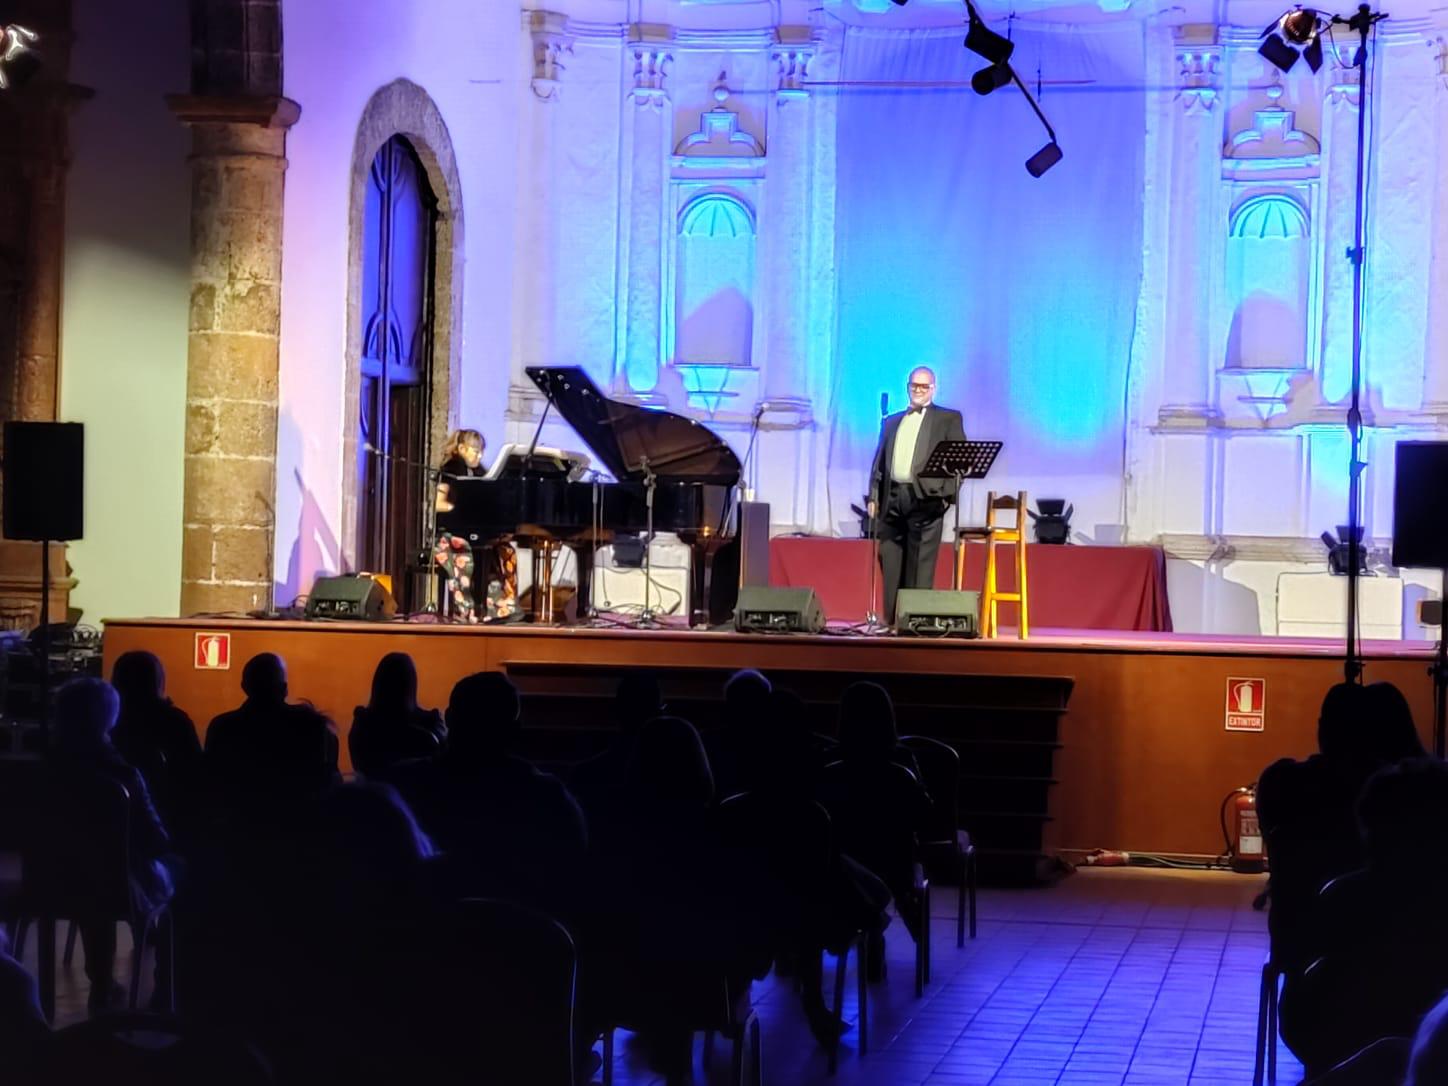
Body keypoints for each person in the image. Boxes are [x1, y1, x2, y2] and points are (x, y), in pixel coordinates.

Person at [48, 677, 178, 1014]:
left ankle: (102, 980)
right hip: (116, 888)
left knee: (91, 877)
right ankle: (167, 987)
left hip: (48, 881)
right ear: (111, 718)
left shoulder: (40, 771)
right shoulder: (123, 775)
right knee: (180, 873)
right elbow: (155, 841)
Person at [866, 367, 967, 624]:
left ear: (933, 388)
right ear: (907, 387)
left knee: (920, 561)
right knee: (890, 559)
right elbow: (879, 462)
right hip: (893, 496)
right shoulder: (891, 422)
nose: (918, 390)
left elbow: (961, 463)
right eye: (914, 386)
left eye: (924, 386)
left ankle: (916, 621)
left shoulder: (948, 419)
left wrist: (946, 497)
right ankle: (891, 621)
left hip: (926, 498)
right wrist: (873, 497)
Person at [204, 652, 340, 814]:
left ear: (244, 686)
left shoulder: (222, 728)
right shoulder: (313, 727)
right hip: (299, 828)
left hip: (240, 827)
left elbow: (210, 784)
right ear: (284, 689)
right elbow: (330, 783)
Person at [109, 650, 203, 829]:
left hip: (112, 820)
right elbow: (195, 774)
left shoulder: (109, 720)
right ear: (157, 680)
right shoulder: (175, 721)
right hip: (170, 817)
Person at [434, 428, 517, 622]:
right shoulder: (450, 469)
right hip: (451, 535)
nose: (480, 455)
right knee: (466, 552)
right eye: (475, 451)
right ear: (461, 448)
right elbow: (438, 504)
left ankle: (498, 608)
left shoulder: (482, 473)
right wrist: (459, 510)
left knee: (506, 551)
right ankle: (467, 610)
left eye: (481, 451)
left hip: (477, 532)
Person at [348, 653, 447, 779]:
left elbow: (362, 767)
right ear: (412, 682)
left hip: (375, 795)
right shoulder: (431, 725)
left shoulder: (364, 724)